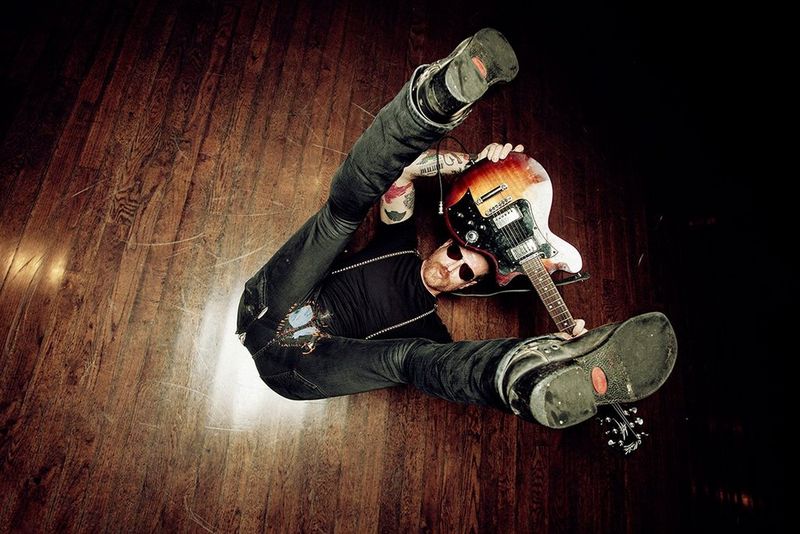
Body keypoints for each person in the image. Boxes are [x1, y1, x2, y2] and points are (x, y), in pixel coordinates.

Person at [235, 28, 676, 429]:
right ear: (446, 243)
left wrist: (561, 343)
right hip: (268, 304)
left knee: (409, 361)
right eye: (456, 255)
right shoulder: (398, 242)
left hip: (298, 370)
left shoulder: (428, 329)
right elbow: (402, 176)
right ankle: (433, 99)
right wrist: (471, 166)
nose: (452, 270)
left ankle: (529, 372)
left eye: (466, 274)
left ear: (465, 289)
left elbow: (438, 366)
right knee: (341, 215)